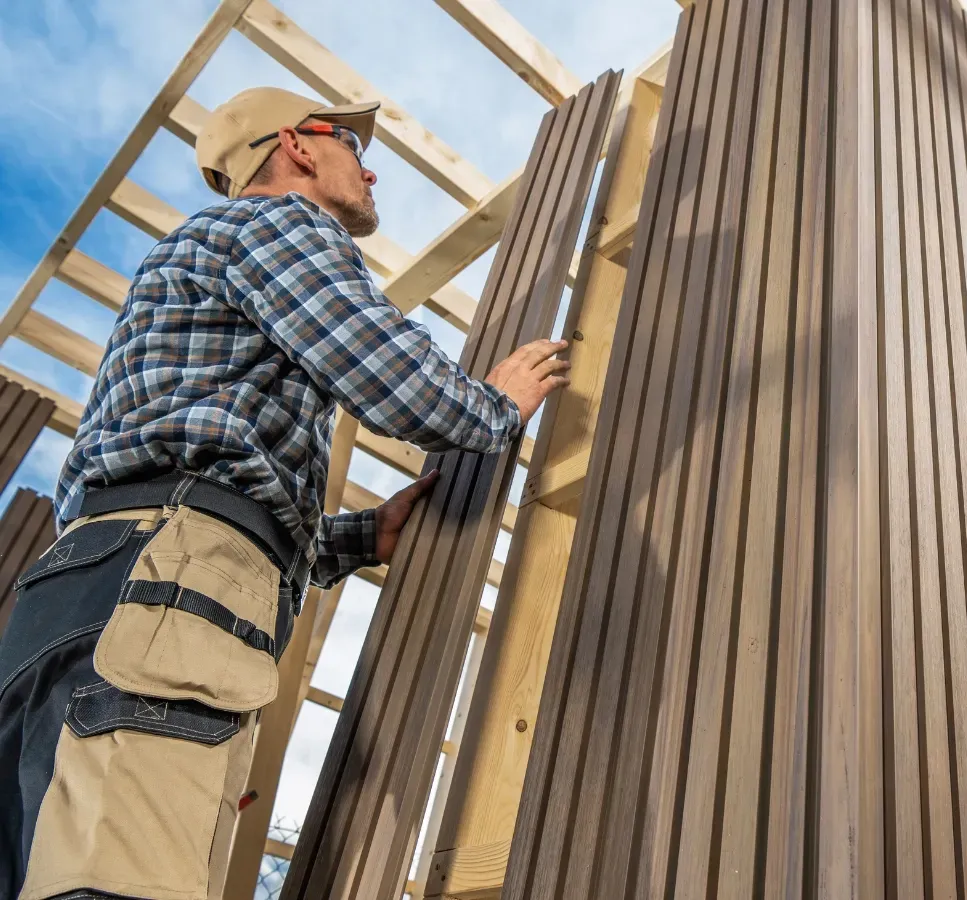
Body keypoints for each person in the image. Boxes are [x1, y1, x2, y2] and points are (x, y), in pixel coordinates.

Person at [0, 86, 569, 899]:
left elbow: (205, 455)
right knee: (125, 883)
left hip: (83, 592)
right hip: (164, 585)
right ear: (299, 146)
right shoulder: (280, 225)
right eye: (354, 149)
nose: (372, 175)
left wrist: (352, 542)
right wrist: (494, 405)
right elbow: (387, 374)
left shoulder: (196, 256)